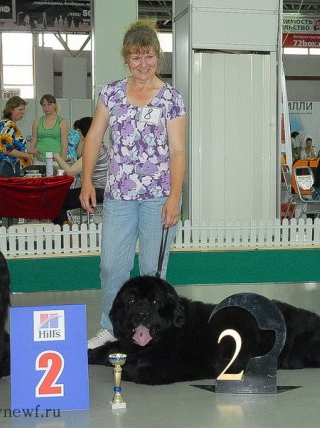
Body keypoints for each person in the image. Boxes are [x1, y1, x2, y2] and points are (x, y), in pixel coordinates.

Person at [81, 20, 187, 349]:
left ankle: (153, 333)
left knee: (154, 272)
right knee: (112, 266)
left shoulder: (171, 98)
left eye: (149, 56)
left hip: (160, 197)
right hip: (119, 196)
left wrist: (175, 196)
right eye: (136, 57)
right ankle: (110, 328)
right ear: (126, 58)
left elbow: (178, 149)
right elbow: (95, 137)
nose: (143, 64)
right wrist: (86, 181)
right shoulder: (110, 93)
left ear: (158, 56)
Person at [51, 117, 109, 225]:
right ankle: (66, 227)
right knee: (60, 198)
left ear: (82, 132)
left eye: (78, 132)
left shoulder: (94, 148)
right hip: (101, 189)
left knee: (57, 200)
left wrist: (56, 156)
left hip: (96, 190)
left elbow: (70, 171)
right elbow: (79, 155)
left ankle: (65, 230)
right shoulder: (100, 147)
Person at [0, 96, 34, 178]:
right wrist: (27, 156)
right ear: (11, 110)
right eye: (20, 110)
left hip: (9, 167)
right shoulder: (8, 125)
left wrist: (31, 151)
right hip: (11, 168)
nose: (23, 112)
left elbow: (12, 146)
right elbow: (7, 150)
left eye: (24, 109)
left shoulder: (5, 123)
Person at [30, 94, 69, 160]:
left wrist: (62, 163)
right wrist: (30, 158)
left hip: (56, 159)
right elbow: (33, 142)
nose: (47, 107)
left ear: (55, 105)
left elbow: (64, 145)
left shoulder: (62, 121)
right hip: (38, 158)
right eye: (44, 105)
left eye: (49, 104)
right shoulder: (37, 121)